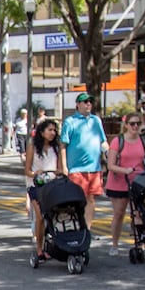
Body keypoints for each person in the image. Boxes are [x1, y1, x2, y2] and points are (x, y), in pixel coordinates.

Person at [104, 112, 145, 256]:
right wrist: (124, 170)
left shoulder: (144, 141)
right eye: (132, 123)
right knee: (119, 213)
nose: (135, 126)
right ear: (126, 125)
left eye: (138, 123)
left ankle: (141, 241)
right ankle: (114, 244)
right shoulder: (118, 141)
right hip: (119, 181)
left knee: (139, 212)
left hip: (138, 180)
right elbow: (110, 165)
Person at [58, 92, 108, 230]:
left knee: (91, 199)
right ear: (78, 104)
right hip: (76, 168)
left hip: (94, 167)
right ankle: (74, 227)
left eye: (90, 102)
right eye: (85, 102)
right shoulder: (70, 121)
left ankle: (87, 229)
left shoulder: (95, 120)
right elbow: (63, 145)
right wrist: (64, 167)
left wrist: (110, 155)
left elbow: (103, 141)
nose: (88, 104)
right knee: (75, 200)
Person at [24, 117, 62, 260]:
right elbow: (27, 170)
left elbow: (59, 167)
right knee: (40, 216)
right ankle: (39, 249)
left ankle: (53, 244)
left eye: (54, 130)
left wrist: (58, 172)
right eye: (49, 130)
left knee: (53, 215)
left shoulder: (56, 148)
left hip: (51, 184)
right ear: (42, 132)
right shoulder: (32, 147)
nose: (52, 133)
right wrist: (35, 174)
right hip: (35, 185)